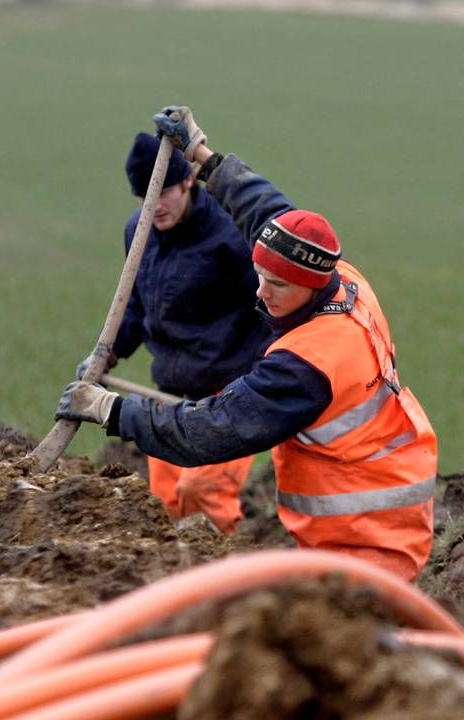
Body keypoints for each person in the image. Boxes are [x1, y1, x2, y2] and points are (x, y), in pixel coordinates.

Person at [57, 106, 437, 581]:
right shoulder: (339, 277)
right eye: (260, 276)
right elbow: (268, 211)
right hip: (366, 501)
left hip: (365, 536)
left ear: (307, 285)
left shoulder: (304, 364)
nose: (260, 292)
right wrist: (201, 152)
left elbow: (213, 430)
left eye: (276, 285)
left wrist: (110, 411)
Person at [82, 132, 272, 533]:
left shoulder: (229, 236)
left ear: (188, 181)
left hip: (230, 395)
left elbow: (270, 307)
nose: (156, 206)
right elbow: (134, 306)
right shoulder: (138, 232)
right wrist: (108, 355)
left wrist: (267, 380)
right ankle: (182, 587)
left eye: (165, 192)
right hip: (170, 395)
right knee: (166, 507)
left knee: (203, 494)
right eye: (145, 196)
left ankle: (225, 587)